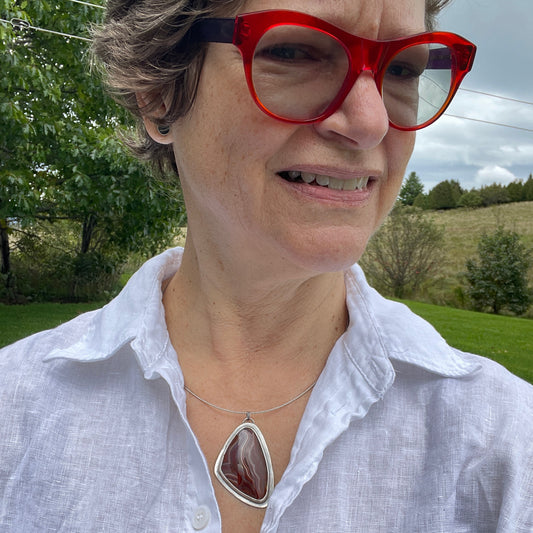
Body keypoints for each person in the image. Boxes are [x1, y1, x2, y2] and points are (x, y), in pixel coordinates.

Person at [0, 0, 531, 531]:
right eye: (296, 50)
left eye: (403, 69)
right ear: (158, 92)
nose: (371, 122)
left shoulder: (503, 445)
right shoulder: (17, 411)